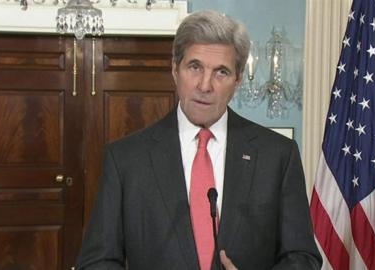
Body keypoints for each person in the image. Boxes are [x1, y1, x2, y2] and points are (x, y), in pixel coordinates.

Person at [76, 10, 322, 270]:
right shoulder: (125, 159)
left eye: (221, 72)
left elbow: (302, 257)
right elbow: (96, 262)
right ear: (175, 70)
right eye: (195, 67)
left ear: (237, 80)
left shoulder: (277, 155)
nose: (205, 85)